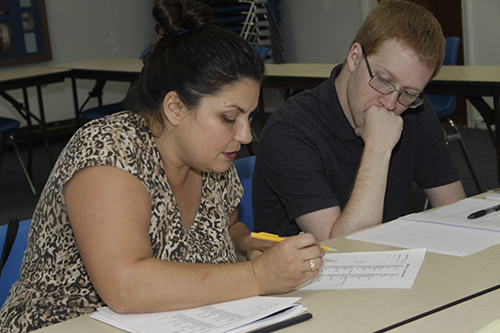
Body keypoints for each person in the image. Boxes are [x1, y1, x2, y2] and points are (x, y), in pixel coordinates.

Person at [0, 1, 325, 331]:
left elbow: (226, 229)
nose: (244, 134)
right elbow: (126, 287)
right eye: (229, 117)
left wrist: (247, 245)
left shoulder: (212, 159)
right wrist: (259, 275)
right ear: (175, 108)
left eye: (249, 117)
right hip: (63, 324)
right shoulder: (109, 150)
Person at [252, 0, 466, 241]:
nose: (390, 104)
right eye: (383, 80)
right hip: (310, 273)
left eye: (409, 94)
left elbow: (456, 214)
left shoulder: (414, 110)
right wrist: (378, 148)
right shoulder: (289, 131)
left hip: (385, 262)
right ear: (354, 57)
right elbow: (344, 249)